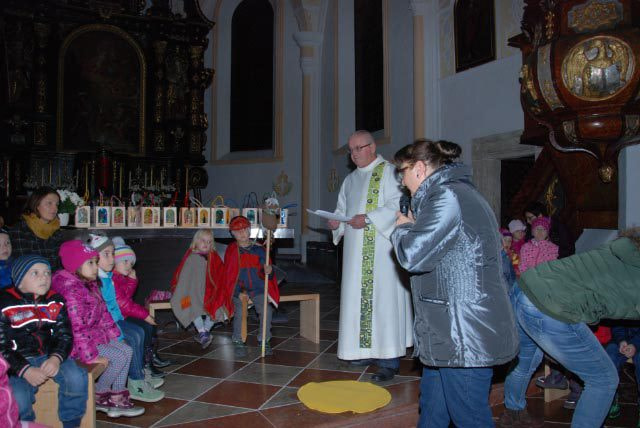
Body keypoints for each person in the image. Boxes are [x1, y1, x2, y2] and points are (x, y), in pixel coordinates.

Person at [390, 139, 518, 427]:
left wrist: (403, 228)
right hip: (448, 331)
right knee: (433, 412)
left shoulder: (447, 196)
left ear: (419, 168)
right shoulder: (456, 193)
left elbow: (412, 255)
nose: (402, 181)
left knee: (469, 417)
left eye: (403, 172)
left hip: (464, 335)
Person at [499, 228, 640, 427]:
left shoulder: (620, 249)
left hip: (525, 288)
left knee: (525, 361)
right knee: (604, 379)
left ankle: (513, 414)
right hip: (551, 306)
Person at [328, 130, 413, 382]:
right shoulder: (350, 180)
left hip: (382, 253)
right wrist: (337, 223)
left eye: (359, 148)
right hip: (355, 256)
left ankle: (388, 360)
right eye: (351, 150)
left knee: (383, 303)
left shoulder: (390, 172)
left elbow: (398, 204)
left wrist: (367, 218)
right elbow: (342, 210)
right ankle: (365, 352)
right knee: (359, 302)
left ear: (372, 147)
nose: (354, 154)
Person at [51, 240, 144, 418]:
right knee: (118, 356)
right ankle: (100, 394)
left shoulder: (90, 284)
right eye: (91, 263)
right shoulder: (71, 291)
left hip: (93, 337)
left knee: (126, 350)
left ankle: (116, 397)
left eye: (95, 262)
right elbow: (77, 329)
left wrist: (115, 335)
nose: (96, 267)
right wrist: (90, 356)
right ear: (75, 266)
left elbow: (103, 315)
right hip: (77, 346)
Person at [0, 255, 87, 427]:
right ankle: (25, 424)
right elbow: (1, 346)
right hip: (17, 361)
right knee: (19, 396)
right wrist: (24, 370)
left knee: (76, 378)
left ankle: (72, 422)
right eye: (35, 273)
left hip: (49, 354)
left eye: (47, 272)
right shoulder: (5, 303)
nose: (44, 277)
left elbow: (65, 335)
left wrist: (56, 358)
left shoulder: (55, 300)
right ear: (19, 280)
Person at [85, 234, 164, 401]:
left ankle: (140, 373)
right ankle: (136, 380)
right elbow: (121, 303)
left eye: (112, 254)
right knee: (134, 335)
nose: (112, 259)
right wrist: (144, 315)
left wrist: (132, 282)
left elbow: (122, 299)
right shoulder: (102, 279)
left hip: (115, 319)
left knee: (140, 332)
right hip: (110, 323)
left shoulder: (108, 277)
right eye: (107, 254)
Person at [112, 237, 172, 371]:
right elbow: (124, 304)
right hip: (119, 316)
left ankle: (149, 357)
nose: (129, 266)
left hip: (123, 314)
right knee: (144, 326)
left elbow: (126, 297)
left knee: (148, 326)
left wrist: (131, 281)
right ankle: (144, 362)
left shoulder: (120, 277)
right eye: (125, 261)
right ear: (114, 261)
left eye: (131, 263)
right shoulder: (113, 279)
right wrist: (145, 315)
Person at [224, 216, 279, 357]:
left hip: (258, 289)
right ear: (233, 234)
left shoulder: (259, 250)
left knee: (266, 310)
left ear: (249, 231)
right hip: (239, 290)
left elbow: (266, 275)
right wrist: (237, 293)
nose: (242, 233)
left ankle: (264, 339)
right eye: (238, 231)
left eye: (244, 229)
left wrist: (269, 271)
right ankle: (238, 340)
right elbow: (229, 276)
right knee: (240, 311)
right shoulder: (232, 251)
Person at [170, 229, 228, 349]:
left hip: (209, 293)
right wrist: (182, 292)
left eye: (209, 242)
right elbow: (184, 279)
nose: (206, 244)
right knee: (188, 305)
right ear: (196, 241)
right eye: (203, 240)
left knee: (217, 307)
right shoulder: (191, 258)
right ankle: (201, 331)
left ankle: (205, 331)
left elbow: (221, 275)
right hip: (192, 293)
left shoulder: (214, 258)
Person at [9, 187, 63, 270]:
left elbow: (60, 263)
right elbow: (23, 266)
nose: (55, 208)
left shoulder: (56, 230)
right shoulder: (21, 230)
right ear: (36, 204)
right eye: (49, 203)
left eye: (57, 204)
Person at [604, 323, 640, 424]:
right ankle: (611, 400)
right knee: (610, 354)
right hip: (622, 341)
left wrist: (634, 344)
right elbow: (617, 324)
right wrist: (621, 340)